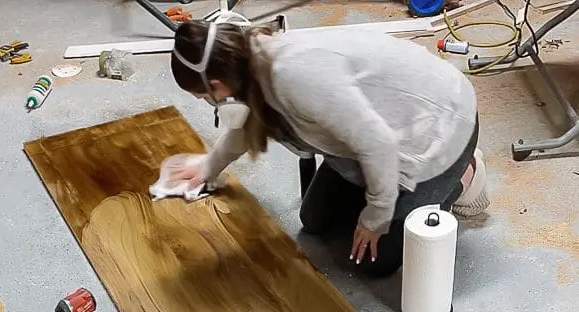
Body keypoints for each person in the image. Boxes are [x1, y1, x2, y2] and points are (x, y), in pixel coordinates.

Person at [166, 19, 488, 277]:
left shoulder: (294, 75)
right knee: (315, 221)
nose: (207, 101)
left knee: (370, 261)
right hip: (381, 131)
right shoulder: (249, 61)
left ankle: (464, 175)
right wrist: (209, 166)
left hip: (440, 129)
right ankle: (390, 194)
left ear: (217, 85)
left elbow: (379, 143)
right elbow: (251, 120)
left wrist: (375, 217)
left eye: (203, 96)